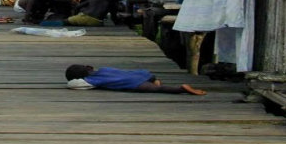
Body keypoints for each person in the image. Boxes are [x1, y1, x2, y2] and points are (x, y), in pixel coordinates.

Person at [64, 64, 206, 95]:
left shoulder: (91, 80)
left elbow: (73, 85)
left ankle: (180, 89)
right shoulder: (104, 69)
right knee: (154, 82)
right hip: (142, 74)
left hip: (134, 83)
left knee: (158, 89)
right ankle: (155, 80)